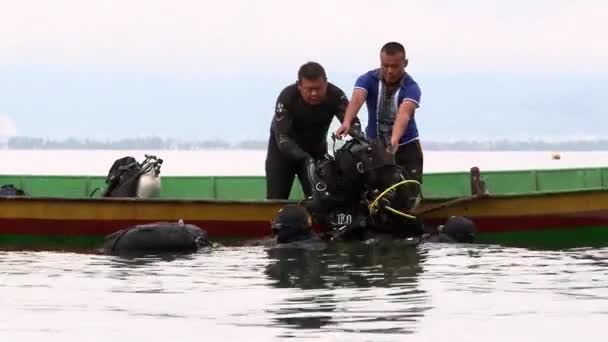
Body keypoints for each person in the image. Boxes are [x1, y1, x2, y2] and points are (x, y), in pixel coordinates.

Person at [335, 42, 424, 183]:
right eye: (385, 65)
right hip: (375, 145)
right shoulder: (367, 79)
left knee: (409, 191)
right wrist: (347, 121)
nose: (389, 71)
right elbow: (357, 99)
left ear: (405, 63)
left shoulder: (412, 88)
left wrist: (394, 139)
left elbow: (404, 114)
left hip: (406, 145)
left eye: (394, 66)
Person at [266, 62, 350, 199]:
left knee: (320, 201)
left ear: (326, 84)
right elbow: (282, 139)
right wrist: (306, 158)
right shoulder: (287, 97)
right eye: (309, 89)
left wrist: (351, 130)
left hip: (316, 151)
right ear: (299, 86)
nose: (314, 93)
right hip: (282, 154)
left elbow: (351, 122)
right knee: (276, 199)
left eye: (319, 88)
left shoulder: (335, 95)